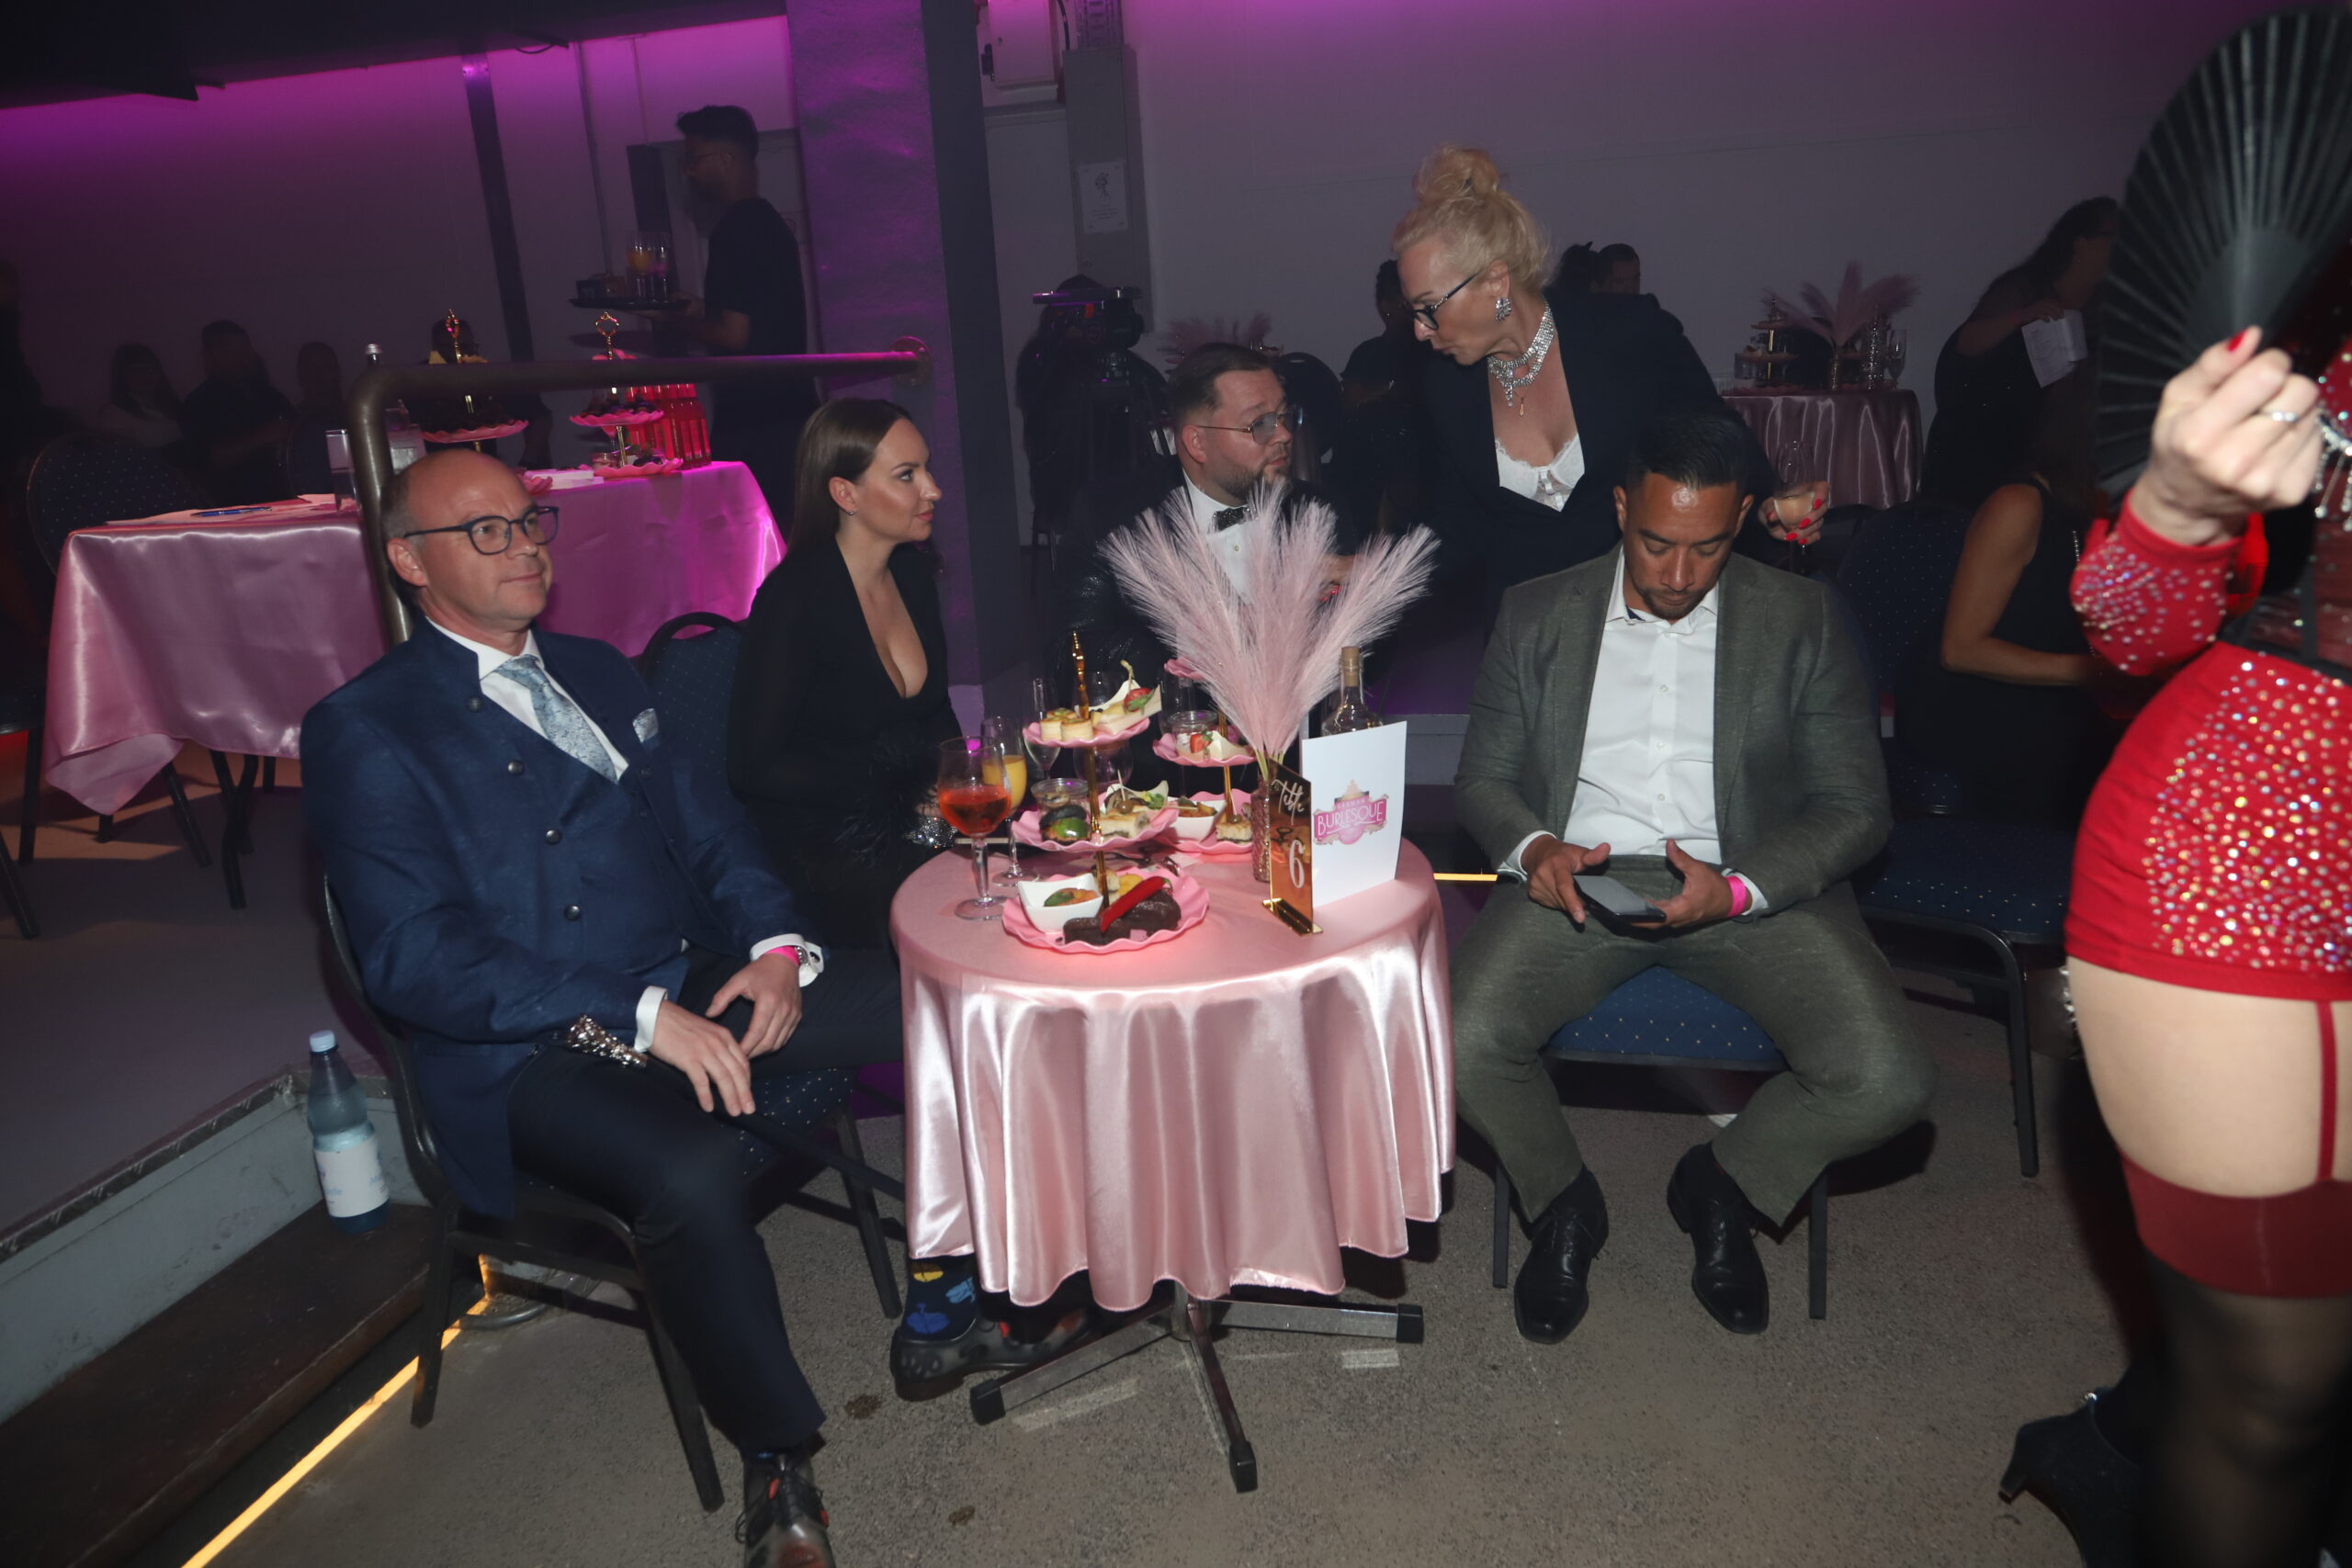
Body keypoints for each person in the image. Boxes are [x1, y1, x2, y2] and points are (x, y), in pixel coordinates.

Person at [304, 449, 898, 1566]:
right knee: (689, 1170)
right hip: (528, 1053)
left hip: (687, 979)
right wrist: (635, 1012)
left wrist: (776, 950)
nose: (523, 545)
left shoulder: (600, 669)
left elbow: (713, 831)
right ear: (408, 563)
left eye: (528, 520)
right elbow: (412, 957)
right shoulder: (367, 728)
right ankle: (778, 1459)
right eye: (484, 531)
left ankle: (984, 1280)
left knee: (930, 1001)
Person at [1450, 404, 1933, 1347]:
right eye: (1656, 544)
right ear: (1620, 508)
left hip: (1748, 881)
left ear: (1743, 517)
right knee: (1458, 1042)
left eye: (1707, 549)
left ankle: (1721, 1184)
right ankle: (1564, 1203)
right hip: (1579, 882)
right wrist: (1537, 849)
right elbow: (1482, 782)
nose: (1678, 576)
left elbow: (1855, 807)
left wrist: (1740, 888)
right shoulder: (1537, 611)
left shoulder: (1801, 618)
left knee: (1887, 1078)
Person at [2000, 327, 2351, 1567]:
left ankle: (2120, 1436)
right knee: (2276, 1383)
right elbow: (2124, 636)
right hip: (2248, 853)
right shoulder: (2304, 331)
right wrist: (2183, 503)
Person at [1396, 147, 1809, 606]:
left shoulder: (1628, 334)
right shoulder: (1447, 384)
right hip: (1525, 628)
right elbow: (1459, 522)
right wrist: (1374, 572)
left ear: (1495, 281)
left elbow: (1722, 444)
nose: (1419, 330)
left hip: (1644, 612)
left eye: (1428, 307)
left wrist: (1771, 507)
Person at [729, 400, 959, 953]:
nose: (933, 490)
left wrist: (959, 780)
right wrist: (900, 796)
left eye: (926, 469)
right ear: (845, 494)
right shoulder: (794, 601)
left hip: (912, 814)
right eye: (906, 475)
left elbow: (934, 713)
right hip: (831, 842)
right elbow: (753, 767)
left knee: (1029, 852)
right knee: (959, 905)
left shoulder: (912, 573)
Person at [1894, 377, 2119, 823]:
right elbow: (1960, 650)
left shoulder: (2093, 508)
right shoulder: (2019, 505)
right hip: (1975, 707)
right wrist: (2096, 672)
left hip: (2049, 697)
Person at [659, 105, 815, 523]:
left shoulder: (735, 228)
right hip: (788, 412)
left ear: (726, 159)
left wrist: (672, 320)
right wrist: (703, 309)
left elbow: (734, 335)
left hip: (756, 421)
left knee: (748, 536)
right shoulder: (767, 222)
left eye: (694, 159)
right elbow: (760, 312)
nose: (689, 172)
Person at [1920, 197, 2117, 514]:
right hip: (1993, 434)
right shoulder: (2025, 287)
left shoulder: (2107, 301)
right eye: (2114, 236)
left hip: (2063, 439)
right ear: (2081, 242)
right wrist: (2021, 316)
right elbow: (1966, 343)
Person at [177, 320, 291, 505]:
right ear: (209, 356)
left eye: (244, 350)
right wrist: (264, 436)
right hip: (237, 504)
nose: (240, 358)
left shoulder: (268, 394)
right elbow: (205, 462)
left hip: (284, 495)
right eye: (229, 351)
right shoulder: (199, 403)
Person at [93, 344, 182, 449]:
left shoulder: (176, 406)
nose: (145, 375)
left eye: (150, 368)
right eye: (135, 370)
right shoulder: (113, 414)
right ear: (121, 376)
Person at [286, 341, 343, 496]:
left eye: (327, 368)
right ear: (301, 376)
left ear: (337, 372)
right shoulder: (292, 425)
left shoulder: (358, 418)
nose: (320, 377)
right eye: (312, 370)